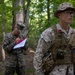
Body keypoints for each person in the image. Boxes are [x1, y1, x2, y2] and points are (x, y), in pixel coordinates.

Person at [33, 2, 75, 75]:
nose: (71, 15)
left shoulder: (74, 33)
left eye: (72, 13)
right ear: (59, 15)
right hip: (54, 71)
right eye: (68, 12)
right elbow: (38, 56)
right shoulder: (49, 33)